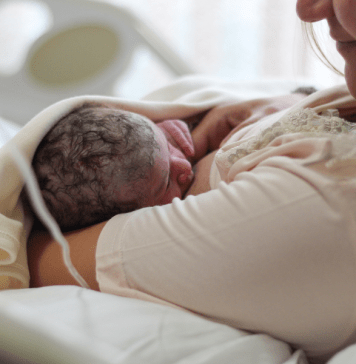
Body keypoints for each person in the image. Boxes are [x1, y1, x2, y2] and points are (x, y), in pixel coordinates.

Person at [27, 1, 356, 363]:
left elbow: (36, 259)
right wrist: (295, 98)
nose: (307, 8)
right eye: (167, 181)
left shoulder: (320, 197)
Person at [31, 102, 195, 231]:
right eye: (165, 185)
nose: (185, 164)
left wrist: (174, 128)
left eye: (168, 145)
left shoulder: (149, 149)